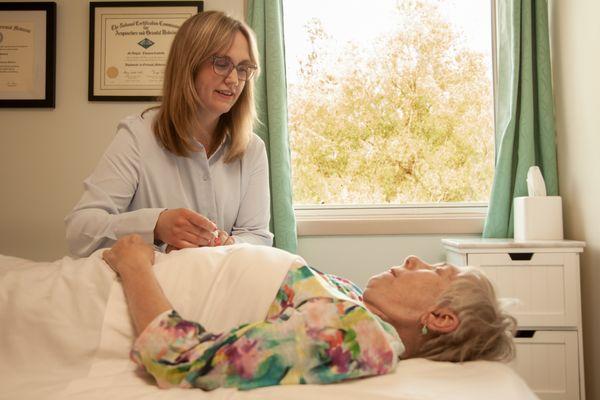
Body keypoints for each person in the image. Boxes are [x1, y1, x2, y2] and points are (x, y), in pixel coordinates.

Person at [102, 234, 517, 391]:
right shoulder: (359, 304)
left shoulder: (363, 339)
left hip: (120, 283)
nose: (413, 259)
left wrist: (134, 264)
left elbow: (177, 357)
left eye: (436, 270)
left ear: (440, 317)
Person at [65, 11, 272, 257]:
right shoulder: (138, 137)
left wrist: (228, 245)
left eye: (242, 68)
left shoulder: (252, 149)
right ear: (188, 64)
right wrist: (155, 225)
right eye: (221, 63)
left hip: (220, 285)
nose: (234, 79)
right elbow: (79, 231)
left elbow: (257, 236)